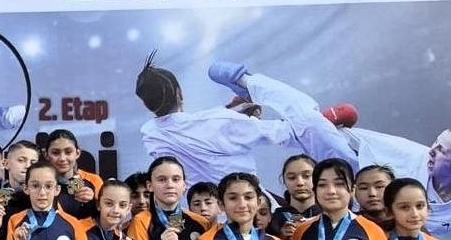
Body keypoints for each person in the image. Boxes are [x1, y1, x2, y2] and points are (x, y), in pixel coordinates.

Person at [136, 54, 358, 190]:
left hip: (200, 209)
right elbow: (287, 134)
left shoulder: (150, 136)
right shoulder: (221, 123)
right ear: (179, 92)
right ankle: (247, 81)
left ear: (145, 103)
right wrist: (323, 121)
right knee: (304, 123)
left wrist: (234, 111)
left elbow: (192, 129)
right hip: (247, 206)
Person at [348, 126, 451, 240]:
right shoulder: (412, 155)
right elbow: (356, 138)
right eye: (436, 143)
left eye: (441, 150)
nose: (431, 151)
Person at [43, 129, 103, 221]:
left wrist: (94, 203)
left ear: (77, 153)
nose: (62, 158)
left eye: (68, 152)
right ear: (46, 155)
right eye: (55, 153)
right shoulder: (41, 184)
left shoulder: (93, 181)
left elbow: (107, 216)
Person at [267, 154, 319, 240]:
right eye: (292, 178)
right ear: (284, 181)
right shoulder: (275, 219)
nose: (300, 183)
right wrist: (280, 239)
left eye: (306, 176)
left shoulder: (328, 216)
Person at [354, 164, 395, 228]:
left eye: (379, 187)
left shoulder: (406, 222)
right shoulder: (348, 223)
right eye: (364, 188)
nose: (372, 194)